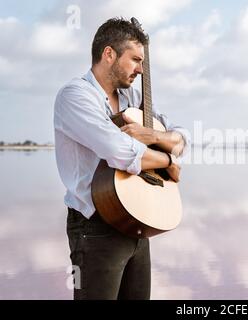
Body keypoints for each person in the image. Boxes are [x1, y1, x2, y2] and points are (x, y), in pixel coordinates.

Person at [53, 17, 190, 300]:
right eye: (135, 60)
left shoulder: (133, 97)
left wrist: (152, 136)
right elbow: (119, 151)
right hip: (95, 227)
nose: (141, 69)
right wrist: (167, 162)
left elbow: (182, 137)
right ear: (109, 54)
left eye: (143, 61)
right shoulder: (75, 96)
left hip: (138, 219)